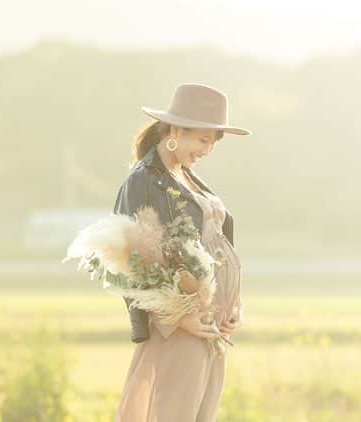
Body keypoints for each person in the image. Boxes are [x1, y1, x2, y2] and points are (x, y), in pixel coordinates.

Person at [113, 83, 252, 421]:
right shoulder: (144, 180)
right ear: (176, 130)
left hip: (209, 333)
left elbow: (217, 243)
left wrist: (234, 305)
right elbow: (130, 260)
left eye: (213, 142)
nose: (208, 150)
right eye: (203, 140)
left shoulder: (187, 177)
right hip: (180, 332)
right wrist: (178, 317)